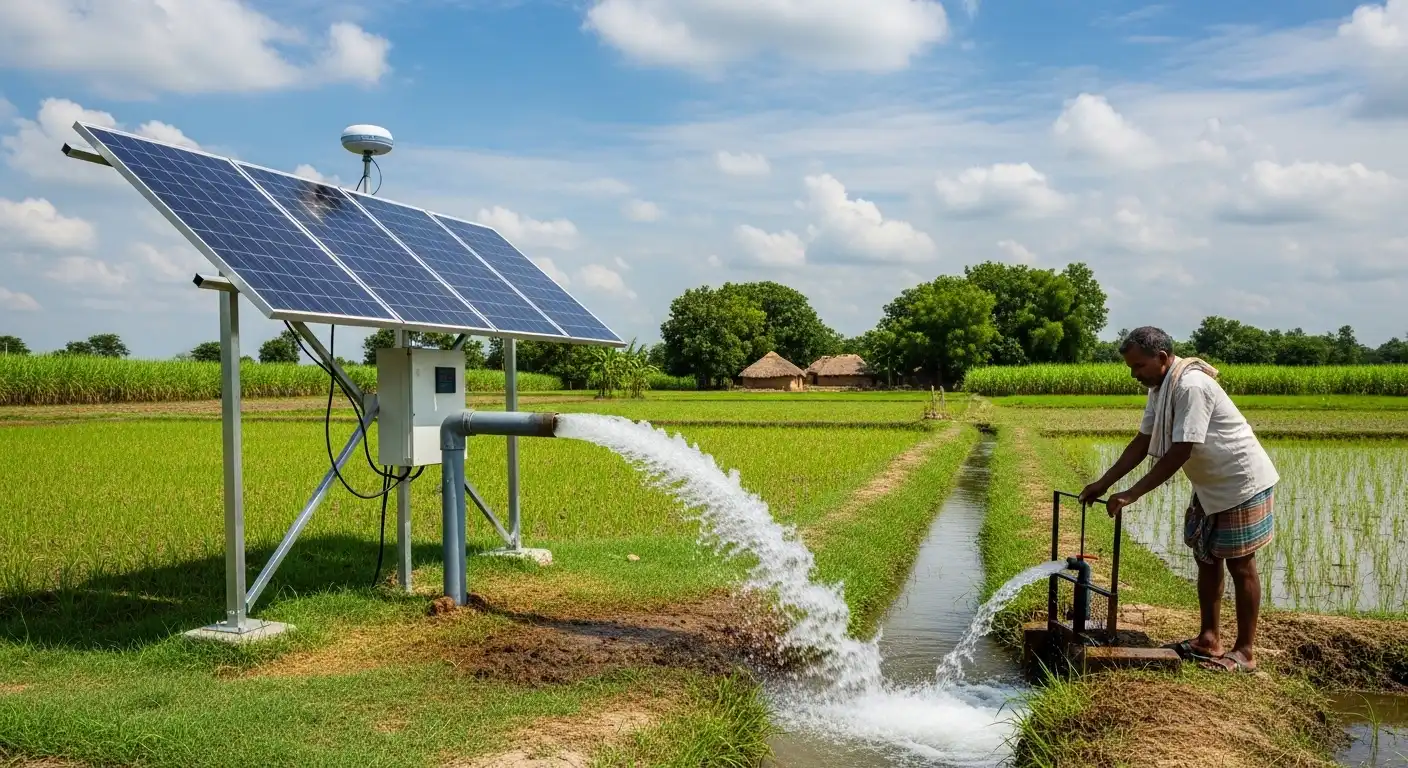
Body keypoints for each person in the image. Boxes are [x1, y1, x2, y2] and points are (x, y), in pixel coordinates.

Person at [1079, 326, 1278, 673]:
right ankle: (1209, 639)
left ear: (1161, 358)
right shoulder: (1161, 387)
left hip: (1239, 480)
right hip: (1209, 484)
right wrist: (1103, 482)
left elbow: (1181, 450)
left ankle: (1245, 652)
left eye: (1138, 366)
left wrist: (1131, 493)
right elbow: (1142, 442)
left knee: (1241, 565)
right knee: (1206, 558)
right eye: (1131, 367)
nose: (1134, 375)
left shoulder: (1191, 386)